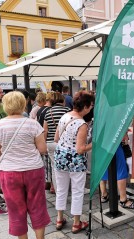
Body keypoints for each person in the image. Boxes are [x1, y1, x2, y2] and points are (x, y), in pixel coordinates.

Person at [0, 91, 50, 238]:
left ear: (5, 105)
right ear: (23, 104)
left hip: (9, 172)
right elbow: (43, 149)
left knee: (15, 209)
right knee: (38, 206)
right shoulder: (32, 124)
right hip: (34, 170)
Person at [53, 91, 94, 234]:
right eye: (91, 105)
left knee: (61, 189)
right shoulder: (81, 124)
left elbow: (56, 138)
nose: (91, 108)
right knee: (77, 191)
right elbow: (81, 149)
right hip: (75, 162)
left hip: (60, 157)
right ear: (86, 106)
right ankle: (76, 223)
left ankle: (59, 218)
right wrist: (94, 144)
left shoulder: (64, 116)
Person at [100, 134, 134, 209]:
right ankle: (123, 200)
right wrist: (124, 135)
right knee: (121, 169)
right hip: (114, 142)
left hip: (101, 143)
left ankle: (104, 195)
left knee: (103, 167)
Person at [43, 92, 70, 193]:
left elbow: (45, 130)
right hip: (64, 142)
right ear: (62, 101)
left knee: (55, 168)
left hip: (50, 142)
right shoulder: (67, 111)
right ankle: (66, 189)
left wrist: (44, 143)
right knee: (67, 167)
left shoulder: (48, 112)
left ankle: (59, 191)